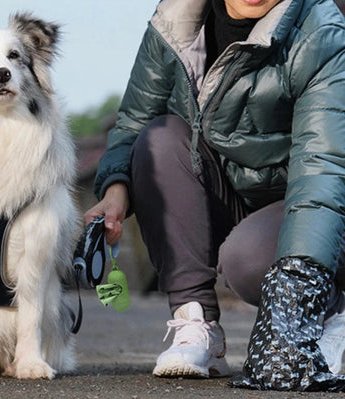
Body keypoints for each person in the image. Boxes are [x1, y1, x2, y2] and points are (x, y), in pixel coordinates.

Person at [85, 0, 345, 390]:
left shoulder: (321, 31)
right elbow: (134, 122)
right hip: (235, 190)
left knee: (248, 261)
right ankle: (196, 324)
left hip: (313, 202)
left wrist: (297, 288)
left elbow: (321, 170)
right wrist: (116, 190)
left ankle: (332, 310)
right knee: (159, 138)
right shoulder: (176, 20)